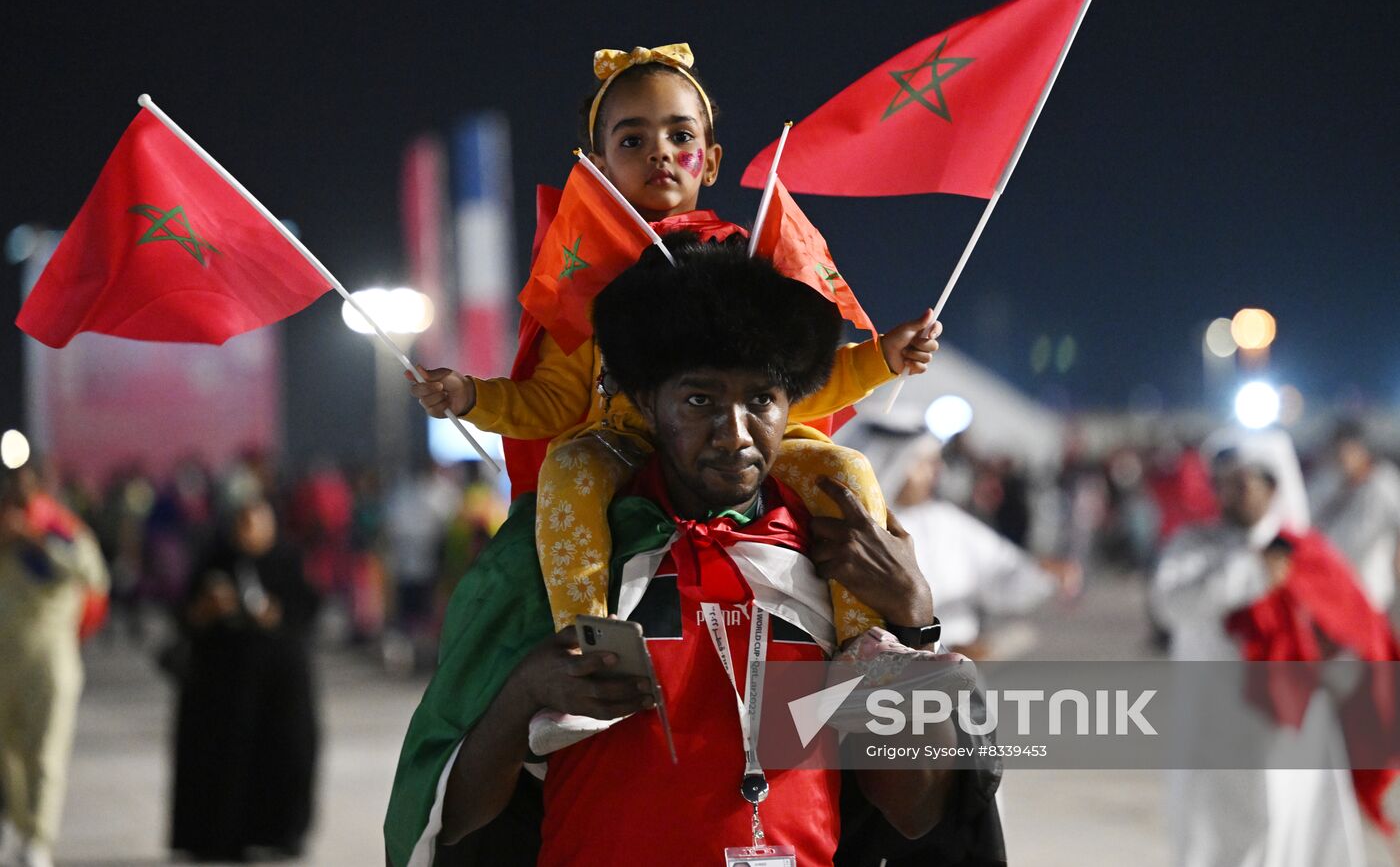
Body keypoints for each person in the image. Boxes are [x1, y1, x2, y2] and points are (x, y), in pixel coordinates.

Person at [386, 237, 980, 867]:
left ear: (792, 404)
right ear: (646, 403)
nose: (734, 433)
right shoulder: (557, 553)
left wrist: (914, 627)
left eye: (760, 400)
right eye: (699, 400)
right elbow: (452, 821)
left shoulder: (835, 556)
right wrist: (524, 693)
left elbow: (913, 809)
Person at [407, 42, 940, 646]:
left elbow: (797, 386)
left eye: (679, 137)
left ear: (710, 161)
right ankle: (590, 647)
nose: (659, 151)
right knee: (570, 469)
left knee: (846, 469)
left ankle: (868, 648)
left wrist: (883, 359)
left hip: (742, 455)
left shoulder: (747, 260)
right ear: (601, 167)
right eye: (632, 140)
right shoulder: (584, 283)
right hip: (624, 450)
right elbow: (552, 402)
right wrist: (470, 395)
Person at [1150, 429, 1395, 867]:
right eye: (1226, 482)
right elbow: (1171, 604)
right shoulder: (1194, 546)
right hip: (1215, 724)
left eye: (1246, 482)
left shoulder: (1305, 554)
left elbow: (1357, 634)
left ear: (1273, 487)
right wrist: (1252, 574)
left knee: (1294, 833)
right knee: (1216, 837)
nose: (1235, 493)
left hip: (1295, 725)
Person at [169, 492, 320, 862]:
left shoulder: (287, 560)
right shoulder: (215, 560)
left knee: (286, 754)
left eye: (257, 522)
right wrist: (208, 609)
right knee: (221, 759)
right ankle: (218, 836)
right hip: (222, 683)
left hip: (280, 684)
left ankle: (281, 833)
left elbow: (307, 608)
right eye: (243, 523)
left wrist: (275, 614)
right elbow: (185, 616)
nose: (250, 531)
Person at [849, 421, 1073, 658]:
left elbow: (1001, 574)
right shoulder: (856, 534)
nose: (937, 471)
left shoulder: (944, 521)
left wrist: (1042, 573)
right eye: (925, 463)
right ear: (892, 462)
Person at [0, 465, 108, 867]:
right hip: (3, 660)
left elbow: (94, 575)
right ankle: (17, 820)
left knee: (45, 751)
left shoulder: (61, 530)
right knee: (6, 754)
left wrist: (38, 540)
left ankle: (38, 837)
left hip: (49, 658)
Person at [1311, 419, 1400, 615]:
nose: (1343, 457)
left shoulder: (1384, 483)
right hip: (1334, 587)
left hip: (1372, 590)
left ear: (1363, 449)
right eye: (1339, 451)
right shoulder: (1331, 482)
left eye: (1349, 450)